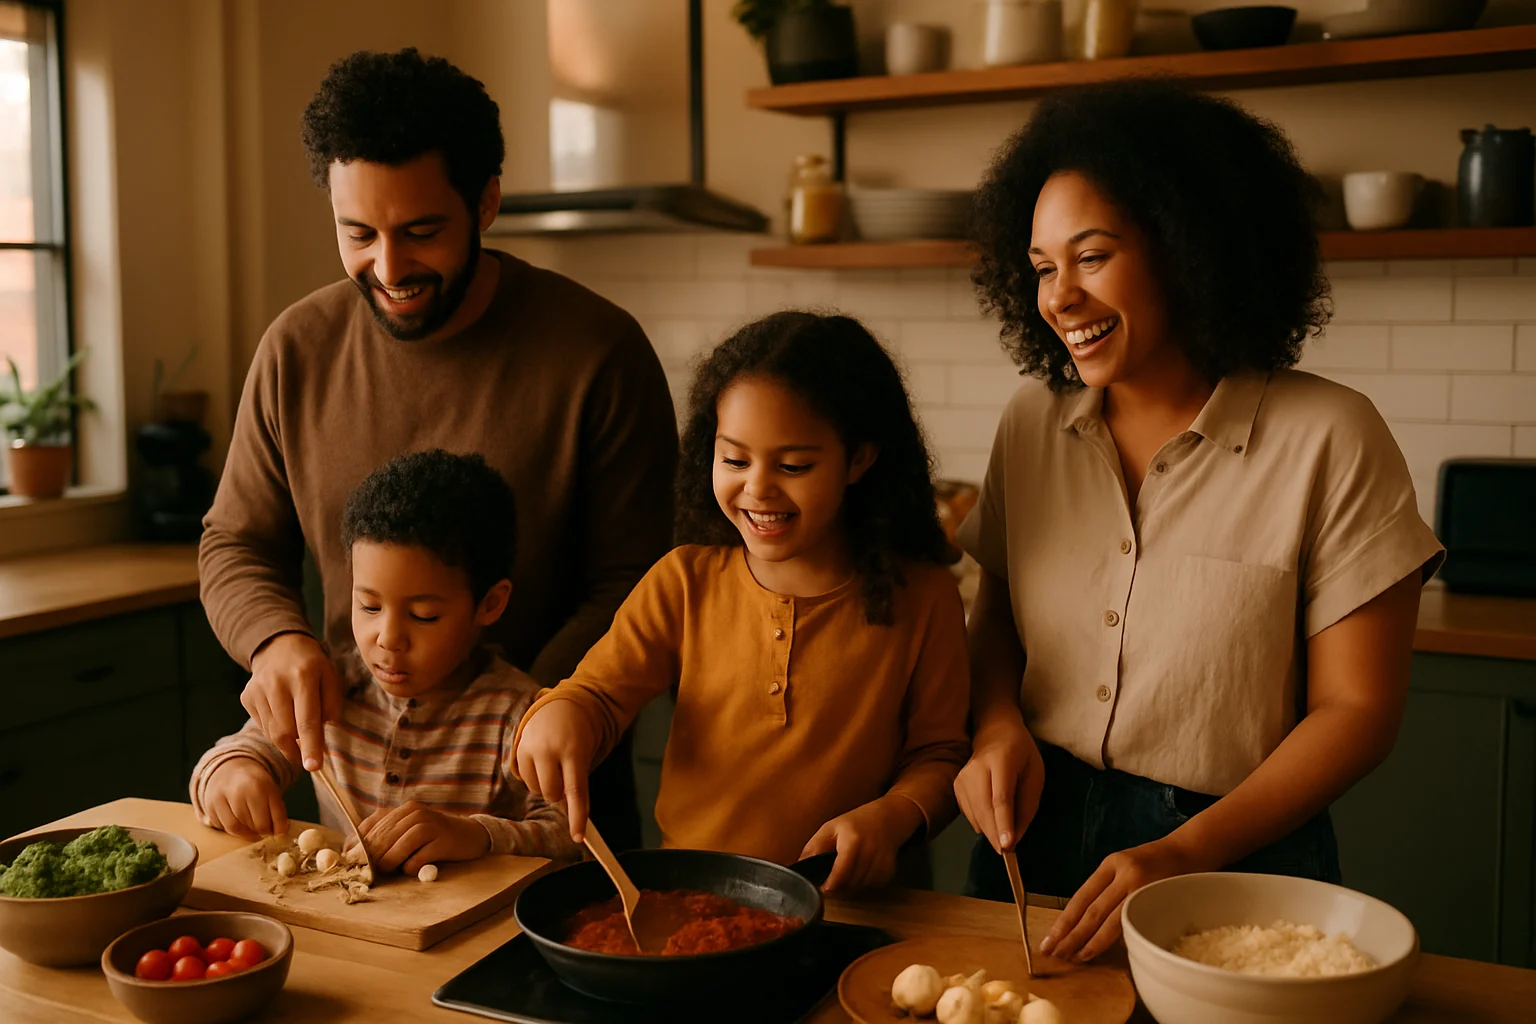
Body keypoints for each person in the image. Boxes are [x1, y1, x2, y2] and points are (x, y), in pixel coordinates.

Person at [952, 79, 1445, 961]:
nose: (1059, 296)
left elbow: (1358, 708)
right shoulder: (1031, 423)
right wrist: (995, 726)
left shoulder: (1331, 435)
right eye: (1041, 268)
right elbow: (995, 624)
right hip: (1035, 836)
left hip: (1239, 855)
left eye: (1092, 256)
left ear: (1189, 246)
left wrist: (1188, 848)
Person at [199, 49, 677, 851]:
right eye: (359, 234)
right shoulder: (297, 349)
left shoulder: (598, 351)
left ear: (485, 201)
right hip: (357, 833)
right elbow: (234, 542)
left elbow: (639, 584)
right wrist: (276, 642)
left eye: (421, 232)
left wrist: (520, 710)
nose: (388, 269)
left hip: (546, 820)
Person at [513, 312, 972, 892]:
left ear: (859, 459)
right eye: (734, 460)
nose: (757, 488)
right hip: (693, 896)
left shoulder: (925, 597)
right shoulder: (684, 581)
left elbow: (941, 754)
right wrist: (561, 714)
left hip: (857, 906)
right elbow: (599, 694)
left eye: (794, 466)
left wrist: (896, 813)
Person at [192, 450, 579, 871]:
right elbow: (242, 750)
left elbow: (569, 836)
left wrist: (476, 835)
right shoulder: (330, 686)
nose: (388, 639)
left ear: (489, 603)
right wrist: (233, 773)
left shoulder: (519, 715)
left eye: (423, 615)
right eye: (369, 606)